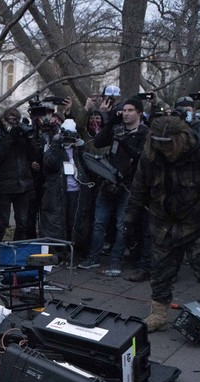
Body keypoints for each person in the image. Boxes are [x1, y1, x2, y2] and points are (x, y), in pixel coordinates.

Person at [125, 115, 200, 356]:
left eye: (169, 144)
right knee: (161, 269)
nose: (165, 149)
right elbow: (138, 189)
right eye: (159, 143)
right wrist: (130, 220)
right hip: (164, 222)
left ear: (181, 138)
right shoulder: (151, 156)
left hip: (199, 223)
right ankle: (158, 313)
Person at [80, 98, 148, 278]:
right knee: (99, 222)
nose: (126, 113)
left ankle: (116, 261)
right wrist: (111, 122)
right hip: (108, 181)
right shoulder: (117, 128)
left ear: (139, 112)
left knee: (121, 224)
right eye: (124, 110)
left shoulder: (143, 132)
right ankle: (93, 257)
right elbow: (98, 142)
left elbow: (141, 158)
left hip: (128, 186)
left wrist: (125, 141)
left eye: (130, 110)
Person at [40, 119, 90, 253]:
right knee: (57, 222)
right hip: (57, 192)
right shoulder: (54, 147)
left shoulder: (78, 150)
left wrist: (80, 146)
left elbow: (88, 167)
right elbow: (49, 164)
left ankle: (74, 251)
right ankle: (58, 252)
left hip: (76, 191)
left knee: (74, 223)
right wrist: (56, 144)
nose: (68, 141)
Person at [0, 106, 37, 242]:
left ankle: (17, 251)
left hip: (23, 185)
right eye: (9, 120)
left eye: (15, 120)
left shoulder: (23, 135)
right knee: (2, 222)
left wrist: (28, 138)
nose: (12, 123)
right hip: (4, 185)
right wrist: (11, 136)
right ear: (4, 121)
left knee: (22, 223)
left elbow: (34, 154)